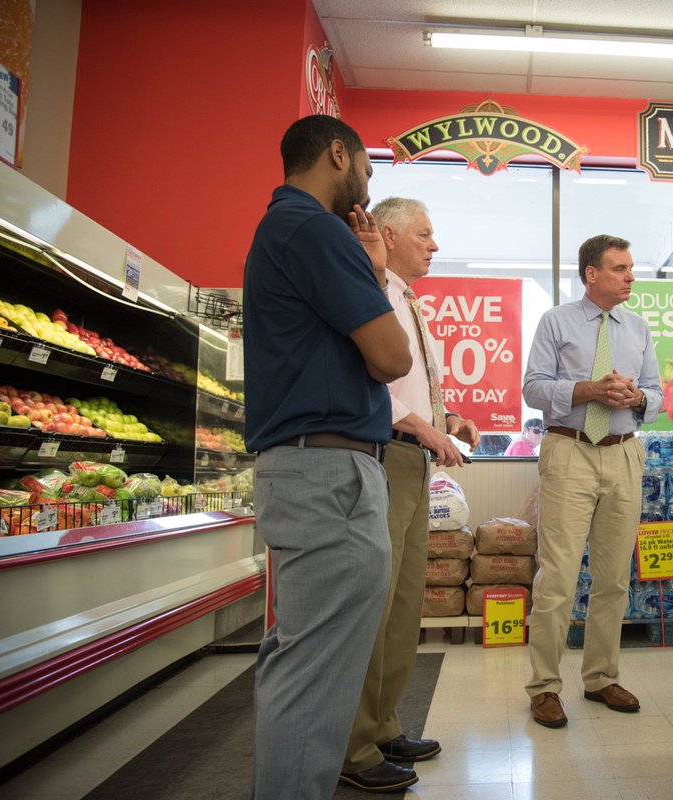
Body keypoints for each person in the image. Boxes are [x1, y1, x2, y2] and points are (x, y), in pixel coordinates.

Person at [243, 114, 413, 800]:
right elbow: (392, 357)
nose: (366, 191)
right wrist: (370, 274)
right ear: (338, 153)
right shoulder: (314, 229)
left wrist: (369, 271)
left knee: (303, 658)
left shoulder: (284, 229)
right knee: (313, 670)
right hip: (328, 472)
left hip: (308, 467)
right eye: (366, 171)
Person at [340, 198, 480, 792]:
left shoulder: (409, 301)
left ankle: (383, 723)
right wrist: (422, 427)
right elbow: (365, 378)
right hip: (385, 455)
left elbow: (414, 386)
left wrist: (448, 422)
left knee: (404, 602)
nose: (434, 245)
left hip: (416, 459)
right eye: (424, 234)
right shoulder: (368, 295)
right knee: (375, 601)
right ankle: (353, 745)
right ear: (389, 234)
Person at [522, 234, 662, 728]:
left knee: (614, 578)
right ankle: (544, 686)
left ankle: (601, 677)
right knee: (558, 576)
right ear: (591, 273)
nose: (630, 276)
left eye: (630, 268)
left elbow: (656, 392)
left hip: (624, 453)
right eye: (620, 268)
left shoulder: (638, 327)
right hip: (570, 450)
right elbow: (533, 388)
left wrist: (637, 399)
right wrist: (588, 390)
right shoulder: (555, 321)